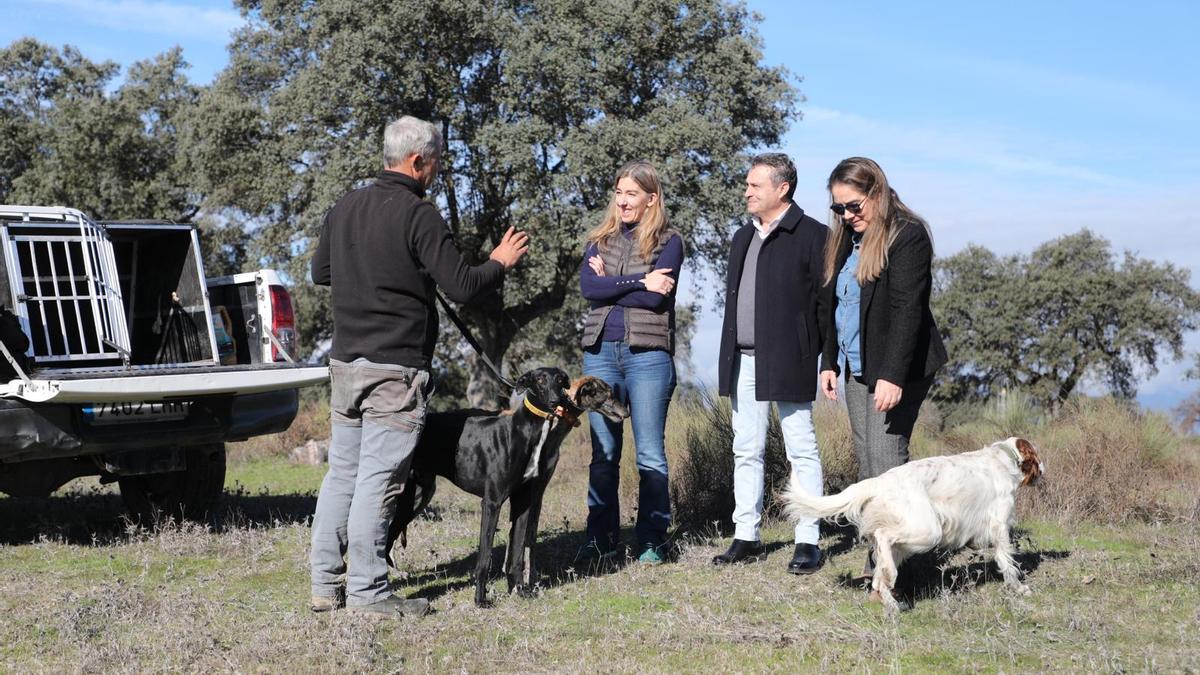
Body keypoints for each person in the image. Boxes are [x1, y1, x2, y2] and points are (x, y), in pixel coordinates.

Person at [308, 115, 528, 617]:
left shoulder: (345, 206)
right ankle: (367, 593)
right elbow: (464, 286)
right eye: (436, 163)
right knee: (378, 482)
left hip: (345, 365)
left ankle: (324, 583)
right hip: (394, 371)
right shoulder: (419, 214)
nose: (436, 172)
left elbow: (320, 272)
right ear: (416, 161)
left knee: (342, 474)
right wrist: (499, 261)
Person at [816, 156, 947, 581]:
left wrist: (891, 375)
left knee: (888, 463)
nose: (847, 215)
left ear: (878, 194)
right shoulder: (844, 239)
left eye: (854, 206)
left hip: (895, 368)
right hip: (855, 364)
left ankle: (894, 574)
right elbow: (835, 305)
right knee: (869, 467)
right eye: (838, 208)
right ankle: (884, 561)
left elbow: (907, 309)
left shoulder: (907, 235)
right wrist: (830, 362)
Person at [713, 153, 829, 574]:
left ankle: (808, 539)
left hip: (790, 359)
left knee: (801, 448)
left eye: (754, 185)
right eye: (747, 184)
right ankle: (746, 534)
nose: (746, 191)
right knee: (745, 449)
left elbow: (825, 306)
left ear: (782, 189)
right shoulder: (742, 236)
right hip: (741, 361)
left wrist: (819, 356)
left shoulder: (815, 235)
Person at [578, 160, 683, 565]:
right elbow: (591, 288)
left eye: (632, 194)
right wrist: (640, 281)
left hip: (648, 357)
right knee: (604, 453)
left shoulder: (669, 241)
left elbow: (658, 299)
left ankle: (651, 540)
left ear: (651, 198)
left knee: (650, 454)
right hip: (600, 351)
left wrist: (613, 287)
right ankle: (599, 539)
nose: (622, 201)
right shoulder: (599, 240)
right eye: (619, 193)